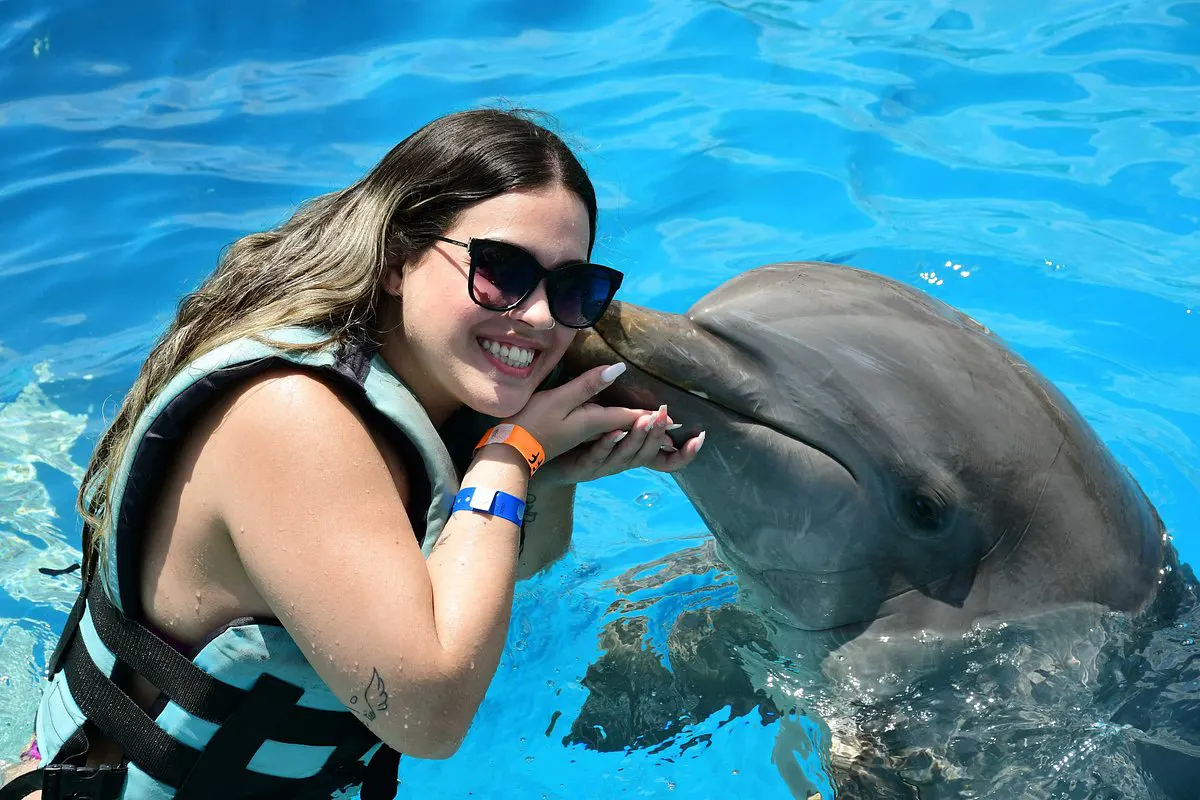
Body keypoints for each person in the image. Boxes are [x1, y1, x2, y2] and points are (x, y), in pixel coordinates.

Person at [1, 107, 704, 800]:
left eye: (574, 288)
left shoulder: (426, 395)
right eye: (499, 271)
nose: (542, 316)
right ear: (398, 259)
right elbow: (429, 717)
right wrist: (512, 457)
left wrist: (548, 477)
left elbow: (519, 570)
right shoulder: (293, 419)